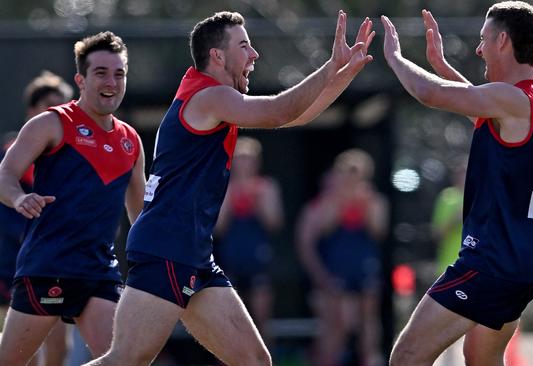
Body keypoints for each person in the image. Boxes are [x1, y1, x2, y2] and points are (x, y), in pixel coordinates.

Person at [85, 10, 374, 366]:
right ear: (217, 56)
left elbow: (297, 115)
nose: (254, 55)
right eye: (245, 46)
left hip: (193, 255)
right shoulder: (209, 96)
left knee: (254, 361)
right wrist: (329, 67)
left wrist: (342, 74)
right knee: (125, 360)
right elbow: (278, 111)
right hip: (167, 249)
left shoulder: (217, 99)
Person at [382, 2, 533, 365]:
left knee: (406, 356)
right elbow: (481, 107)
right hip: (524, 267)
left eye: (483, 40)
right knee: (480, 357)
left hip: (490, 264)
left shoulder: (512, 99)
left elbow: (429, 94)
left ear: (502, 41)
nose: (479, 49)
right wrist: (441, 67)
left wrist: (396, 58)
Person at [0, 31, 146, 365]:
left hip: (99, 271)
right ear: (80, 79)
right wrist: (18, 198)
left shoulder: (130, 140)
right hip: (47, 267)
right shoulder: (51, 123)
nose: (111, 82)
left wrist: (162, 258)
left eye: (119, 74)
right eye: (101, 73)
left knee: (123, 360)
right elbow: (4, 176)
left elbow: (141, 215)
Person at [0, 71, 74, 366]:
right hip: (9, 272)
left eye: (63, 108)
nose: (56, 115)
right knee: (19, 353)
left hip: (54, 268)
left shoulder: (74, 163)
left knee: (59, 349)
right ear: (32, 112)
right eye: (48, 107)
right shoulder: (10, 159)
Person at [296, 149, 388, 366]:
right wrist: (340, 201)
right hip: (336, 268)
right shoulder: (326, 202)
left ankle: (369, 359)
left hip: (363, 266)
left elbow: (378, 231)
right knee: (337, 324)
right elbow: (324, 230)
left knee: (367, 321)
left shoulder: (373, 199)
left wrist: (364, 203)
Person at [212, 136, 283, 341]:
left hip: (258, 258)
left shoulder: (267, 187)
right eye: (240, 159)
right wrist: (233, 195)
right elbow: (218, 228)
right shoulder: (224, 186)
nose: (245, 164)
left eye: (249, 159)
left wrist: (256, 199)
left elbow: (274, 223)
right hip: (230, 258)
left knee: (262, 315)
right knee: (229, 318)